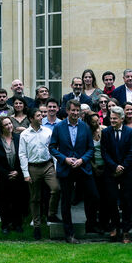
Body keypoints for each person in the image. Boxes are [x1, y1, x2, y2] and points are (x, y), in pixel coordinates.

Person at [50, 99, 96, 244]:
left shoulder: (85, 127)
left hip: (82, 167)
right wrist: (64, 159)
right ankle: (69, 234)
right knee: (66, 201)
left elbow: (91, 149)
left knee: (93, 195)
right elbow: (52, 147)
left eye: (77, 110)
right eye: (73, 110)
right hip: (66, 168)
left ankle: (91, 225)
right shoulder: (59, 127)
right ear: (67, 111)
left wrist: (82, 160)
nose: (75, 113)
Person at [20, 108, 60, 240]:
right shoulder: (25, 135)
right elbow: (22, 155)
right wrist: (26, 174)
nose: (42, 117)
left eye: (42, 115)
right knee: (35, 198)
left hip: (48, 165)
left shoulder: (48, 132)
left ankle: (51, 214)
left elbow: (53, 150)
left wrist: (56, 167)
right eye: (38, 115)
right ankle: (37, 226)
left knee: (56, 188)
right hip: (33, 167)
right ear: (31, 119)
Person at [101, 105, 132, 243]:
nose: (112, 121)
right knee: (111, 200)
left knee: (127, 201)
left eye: (115, 119)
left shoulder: (130, 132)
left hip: (127, 172)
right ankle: (115, 226)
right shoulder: (106, 132)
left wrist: (122, 167)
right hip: (111, 171)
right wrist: (114, 166)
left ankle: (126, 231)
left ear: (122, 119)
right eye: (111, 118)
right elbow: (104, 152)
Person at [0, 115, 25, 235]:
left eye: (10, 123)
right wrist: (6, 173)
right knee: (3, 202)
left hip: (17, 175)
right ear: (1, 127)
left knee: (17, 201)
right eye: (6, 124)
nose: (9, 126)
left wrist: (18, 171)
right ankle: (5, 225)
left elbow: (23, 156)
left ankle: (17, 224)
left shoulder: (18, 138)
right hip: (3, 177)